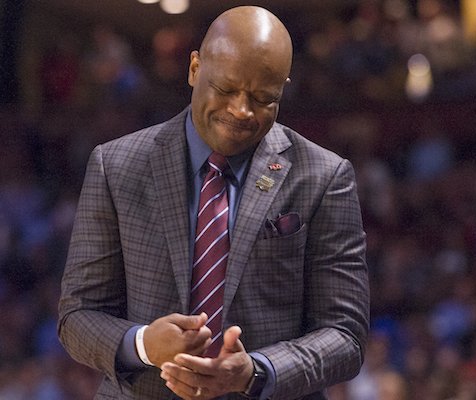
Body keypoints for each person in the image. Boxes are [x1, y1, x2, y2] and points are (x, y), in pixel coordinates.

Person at [58, 6, 369, 400]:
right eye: (225, 89)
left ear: (283, 88)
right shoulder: (116, 166)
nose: (241, 110)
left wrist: (257, 371)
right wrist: (143, 345)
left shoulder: (325, 176)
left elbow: (346, 336)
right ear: (194, 69)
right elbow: (76, 316)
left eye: (263, 98)